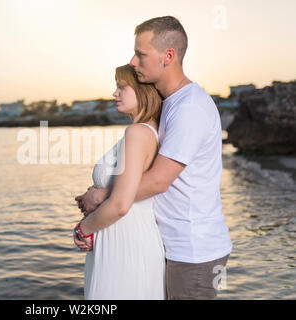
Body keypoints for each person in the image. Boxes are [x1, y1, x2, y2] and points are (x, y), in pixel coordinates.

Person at [75, 16, 232, 300]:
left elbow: (159, 180)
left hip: (193, 252)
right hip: (171, 245)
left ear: (168, 56)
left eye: (141, 54)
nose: (133, 62)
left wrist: (102, 198)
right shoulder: (170, 106)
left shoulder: (190, 107)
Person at [73, 64, 166, 299]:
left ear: (143, 90)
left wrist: (83, 229)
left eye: (122, 87)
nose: (115, 93)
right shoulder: (146, 132)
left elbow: (121, 204)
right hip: (125, 240)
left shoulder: (138, 133)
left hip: (127, 246)